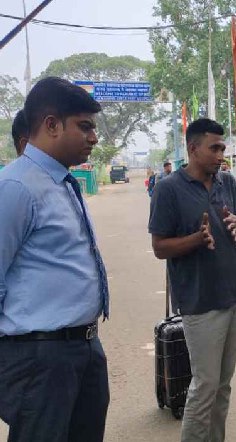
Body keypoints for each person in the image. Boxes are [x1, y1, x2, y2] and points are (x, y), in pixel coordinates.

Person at [0, 76, 109, 442]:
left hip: (83, 347)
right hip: (40, 358)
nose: (94, 137)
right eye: (85, 126)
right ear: (50, 125)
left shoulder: (60, 182)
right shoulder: (17, 187)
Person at [149, 118, 236, 442]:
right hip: (199, 302)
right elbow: (159, 247)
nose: (221, 155)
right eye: (214, 148)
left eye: (223, 148)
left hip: (234, 294)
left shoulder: (228, 184)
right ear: (193, 149)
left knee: (223, 384)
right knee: (204, 385)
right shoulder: (168, 189)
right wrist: (195, 239)